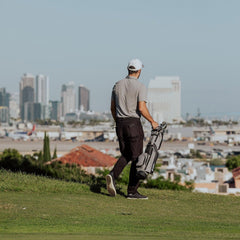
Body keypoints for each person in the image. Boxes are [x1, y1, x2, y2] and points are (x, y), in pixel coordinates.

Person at [106, 58, 158, 199]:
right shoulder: (140, 87)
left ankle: (113, 175)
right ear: (139, 71)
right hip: (133, 124)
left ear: (128, 69)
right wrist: (152, 121)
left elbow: (112, 107)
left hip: (120, 124)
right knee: (137, 158)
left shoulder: (117, 85)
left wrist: (118, 121)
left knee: (127, 154)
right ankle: (132, 191)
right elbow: (141, 108)